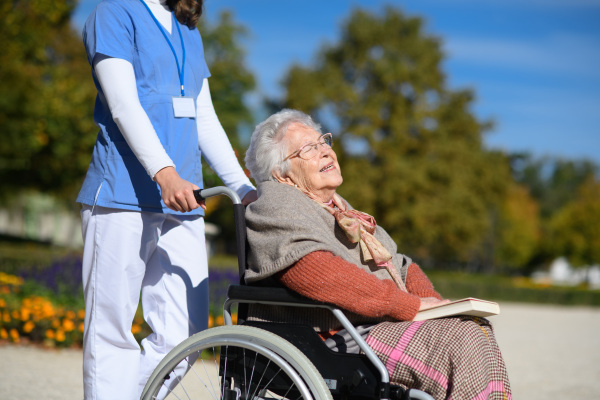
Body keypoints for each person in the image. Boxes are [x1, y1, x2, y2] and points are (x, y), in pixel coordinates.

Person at [243, 109, 511, 400]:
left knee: (473, 325)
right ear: (281, 173)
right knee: (462, 338)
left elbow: (402, 265)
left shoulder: (339, 209)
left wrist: (434, 307)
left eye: (324, 142)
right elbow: (316, 272)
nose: (326, 152)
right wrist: (409, 305)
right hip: (330, 338)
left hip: (365, 327)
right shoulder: (277, 203)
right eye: (309, 148)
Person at [77, 0, 257, 398]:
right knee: (110, 331)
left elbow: (203, 116)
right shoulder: (114, 13)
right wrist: (165, 172)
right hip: (122, 193)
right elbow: (122, 104)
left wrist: (242, 188)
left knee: (185, 335)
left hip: (184, 198)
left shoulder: (187, 28)